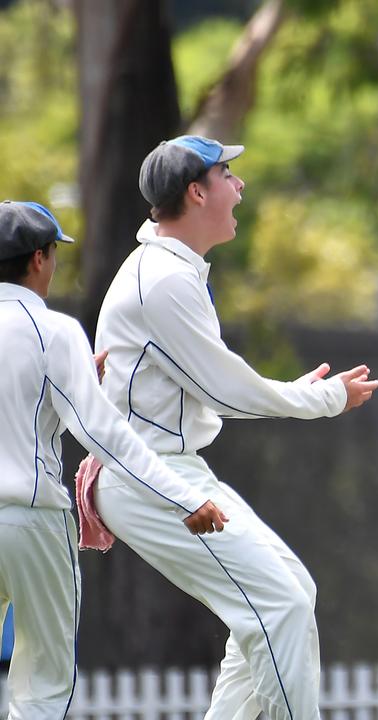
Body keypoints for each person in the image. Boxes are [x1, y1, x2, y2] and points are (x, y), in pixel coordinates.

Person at [91, 136, 378, 720]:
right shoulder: (163, 280)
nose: (240, 185)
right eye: (228, 173)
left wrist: (307, 394)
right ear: (197, 191)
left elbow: (217, 387)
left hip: (172, 467)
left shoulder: (175, 270)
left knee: (292, 593)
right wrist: (321, 396)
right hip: (148, 475)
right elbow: (226, 390)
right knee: (278, 607)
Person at [0, 200, 226, 719]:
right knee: (42, 692)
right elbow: (105, 437)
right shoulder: (53, 332)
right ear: (39, 258)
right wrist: (185, 497)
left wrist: (75, 387)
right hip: (33, 523)